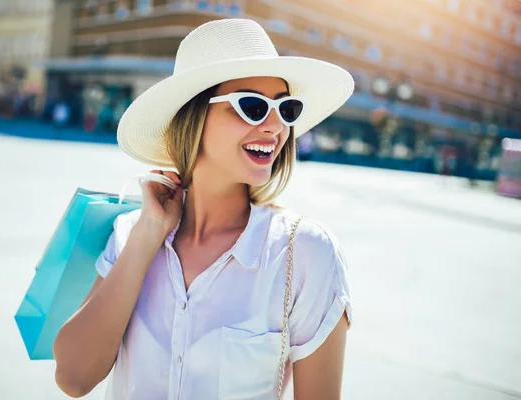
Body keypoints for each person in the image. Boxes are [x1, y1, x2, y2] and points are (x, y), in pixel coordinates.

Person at [53, 19, 354, 399]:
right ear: (193, 116)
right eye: (252, 106)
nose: (275, 127)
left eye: (286, 108)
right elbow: (74, 378)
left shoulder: (306, 252)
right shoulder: (132, 232)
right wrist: (147, 235)